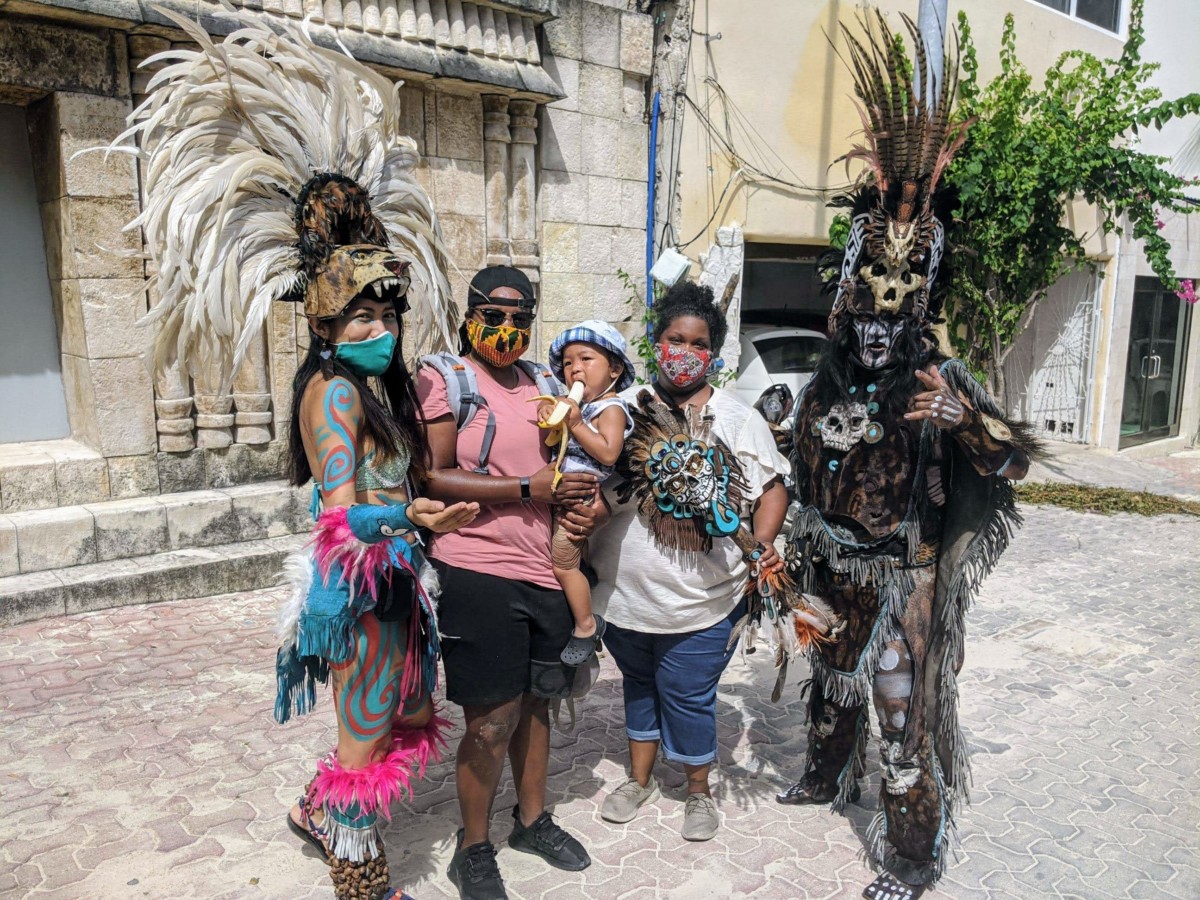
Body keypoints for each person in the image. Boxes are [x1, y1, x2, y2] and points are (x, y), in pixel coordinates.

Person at [116, 11, 475, 898]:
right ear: (322, 323)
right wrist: (411, 512)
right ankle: (357, 877)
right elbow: (343, 508)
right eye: (361, 317)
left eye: (387, 315)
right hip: (358, 584)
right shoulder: (336, 390)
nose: (379, 330)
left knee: (414, 712)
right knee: (366, 740)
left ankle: (317, 809)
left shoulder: (376, 386)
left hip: (397, 577)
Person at [776, 14, 1041, 900]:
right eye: (868, 315)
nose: (882, 330)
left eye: (899, 315)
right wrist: (790, 554)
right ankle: (820, 777)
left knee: (899, 706)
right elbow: (805, 476)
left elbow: (1013, 466)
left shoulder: (940, 378)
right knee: (829, 684)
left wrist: (966, 420)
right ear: (848, 313)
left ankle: (913, 857)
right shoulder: (823, 383)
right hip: (835, 565)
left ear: (917, 312)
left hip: (907, 572)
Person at [417, 266, 601, 900]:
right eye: (494, 315)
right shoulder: (446, 379)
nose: (507, 328)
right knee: (490, 720)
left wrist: (578, 502)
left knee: (539, 704)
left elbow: (573, 460)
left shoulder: (544, 382)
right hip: (477, 567)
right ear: (469, 313)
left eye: (520, 319)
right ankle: (473, 847)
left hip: (546, 568)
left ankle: (530, 821)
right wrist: (529, 489)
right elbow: (433, 476)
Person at [588, 281, 792, 842]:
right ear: (655, 343)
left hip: (704, 600)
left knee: (687, 692)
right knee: (639, 685)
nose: (684, 351)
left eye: (697, 343)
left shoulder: (736, 418)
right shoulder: (622, 411)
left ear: (714, 355)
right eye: (674, 339)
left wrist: (765, 542)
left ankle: (699, 789)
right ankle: (639, 778)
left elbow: (772, 487)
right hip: (623, 598)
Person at [539, 321, 637, 666]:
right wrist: (550, 415)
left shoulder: (611, 409)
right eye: (567, 363)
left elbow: (609, 453)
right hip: (558, 491)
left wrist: (576, 422)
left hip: (580, 493)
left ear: (614, 368)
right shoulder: (582, 406)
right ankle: (585, 579)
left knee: (562, 565)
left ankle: (586, 624)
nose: (574, 369)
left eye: (586, 359)